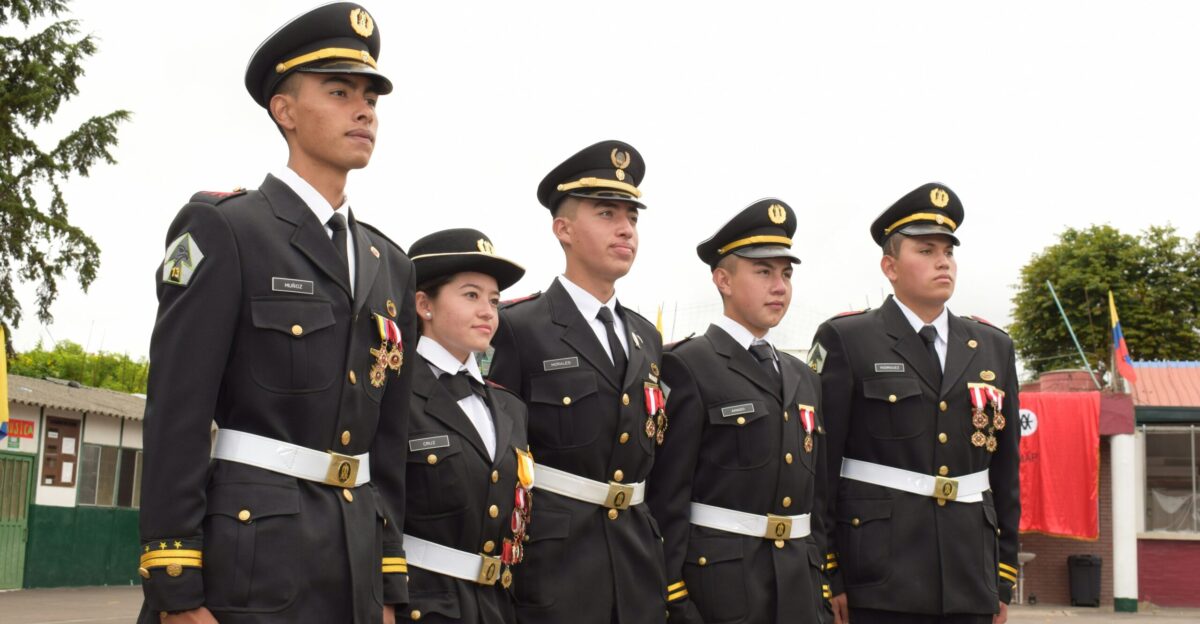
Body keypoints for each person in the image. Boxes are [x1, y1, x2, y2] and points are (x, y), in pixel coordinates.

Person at [138, 4, 414, 622]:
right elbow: (177, 412)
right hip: (254, 560)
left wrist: (389, 583)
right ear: (284, 112)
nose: (364, 110)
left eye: (371, 96)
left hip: (356, 564)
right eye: (339, 91)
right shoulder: (228, 229)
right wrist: (175, 582)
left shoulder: (390, 264)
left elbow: (387, 446)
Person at [811, 183, 1020, 624]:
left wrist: (1002, 573)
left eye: (947, 250)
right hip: (878, 575)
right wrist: (829, 572)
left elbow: (1005, 471)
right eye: (925, 250)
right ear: (889, 266)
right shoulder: (849, 340)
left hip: (970, 574)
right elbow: (821, 469)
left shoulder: (993, 348)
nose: (942, 260)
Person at [486, 140, 667, 624]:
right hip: (553, 566)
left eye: (632, 216)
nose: (626, 228)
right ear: (563, 229)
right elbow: (496, 462)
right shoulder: (519, 328)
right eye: (607, 214)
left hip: (635, 564)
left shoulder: (647, 338)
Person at [647, 198, 832, 624]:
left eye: (786, 274)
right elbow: (667, 497)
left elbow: (815, 501)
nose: (780, 286)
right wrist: (674, 595)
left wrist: (819, 587)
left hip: (797, 591)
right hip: (721, 592)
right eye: (763, 271)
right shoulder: (689, 365)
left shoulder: (803, 376)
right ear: (723, 280)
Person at [400, 228, 533, 623]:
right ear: (424, 304)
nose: (488, 311)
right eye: (471, 295)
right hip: (418, 604)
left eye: (494, 300)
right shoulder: (394, 392)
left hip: (495, 605)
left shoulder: (509, 406)